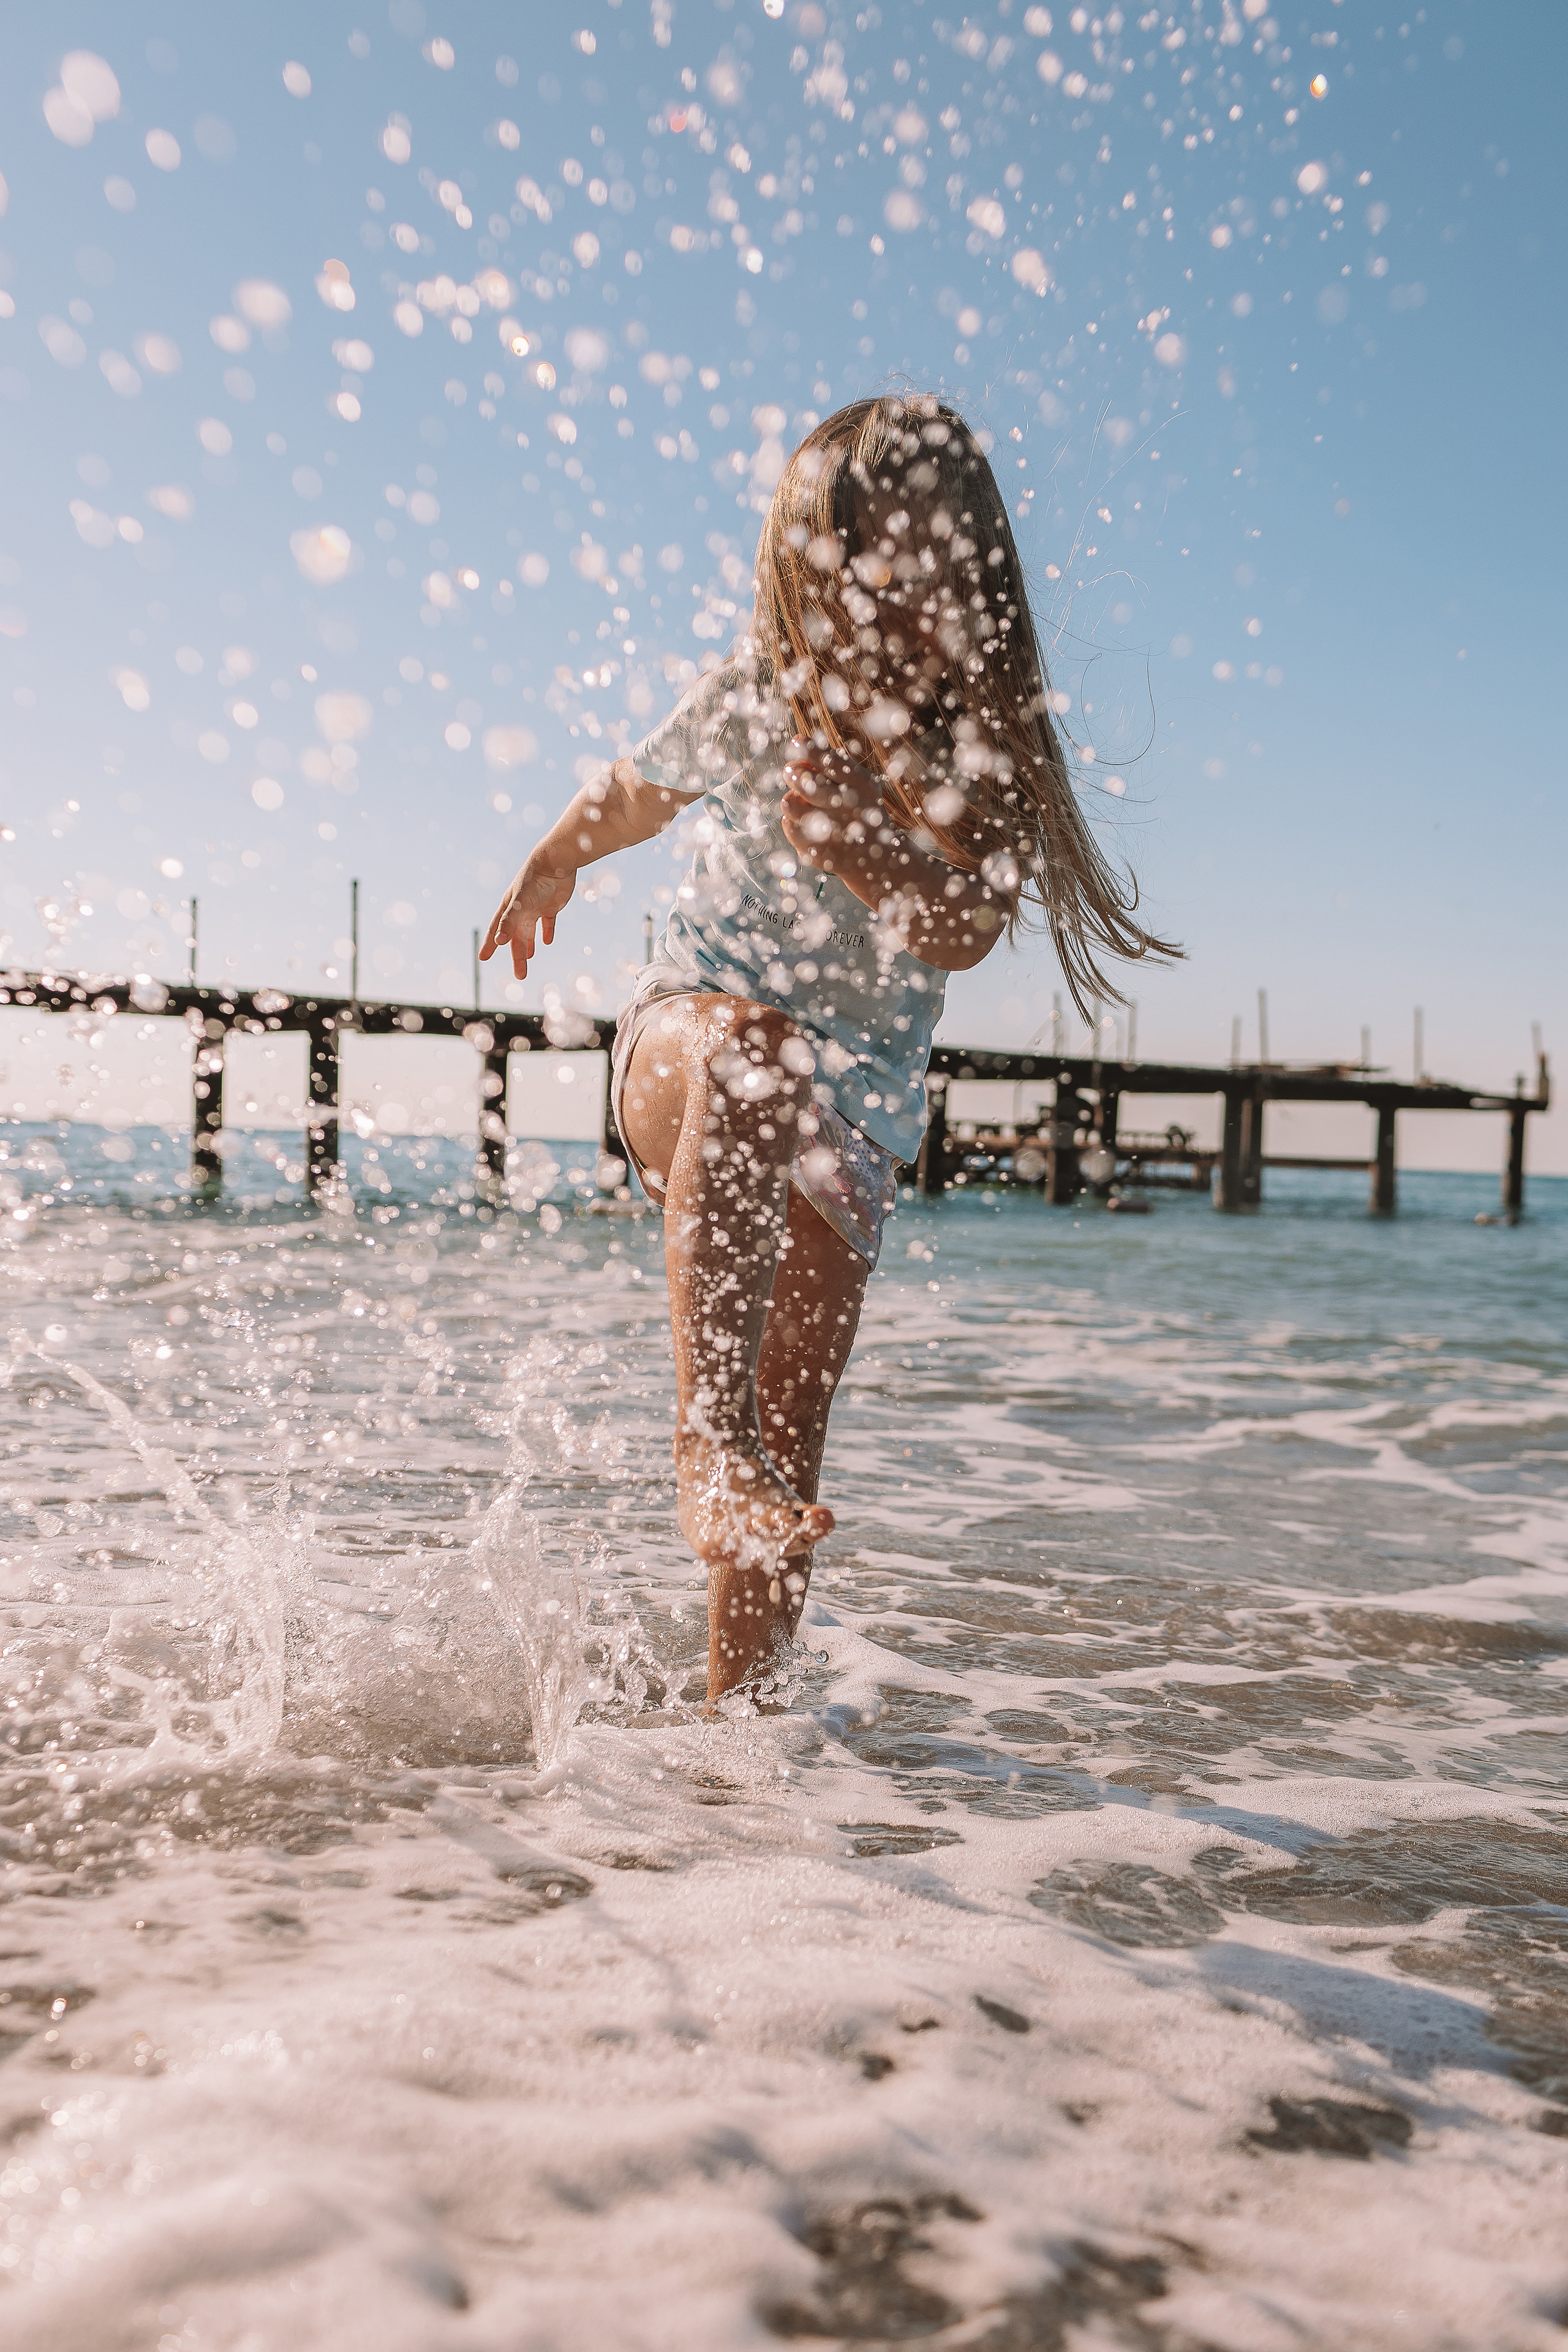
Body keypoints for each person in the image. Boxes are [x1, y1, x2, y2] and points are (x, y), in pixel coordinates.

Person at [481, 394, 1178, 1700]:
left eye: (915, 574)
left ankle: (738, 1746)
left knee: (789, 1451)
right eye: (847, 573)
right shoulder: (757, 702)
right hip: (686, 1042)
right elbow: (635, 784)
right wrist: (553, 856)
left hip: (847, 1125)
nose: (880, 607)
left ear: (972, 586)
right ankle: (701, 1440)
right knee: (755, 1052)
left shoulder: (968, 758)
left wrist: (866, 838)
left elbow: (963, 926)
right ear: (800, 581)